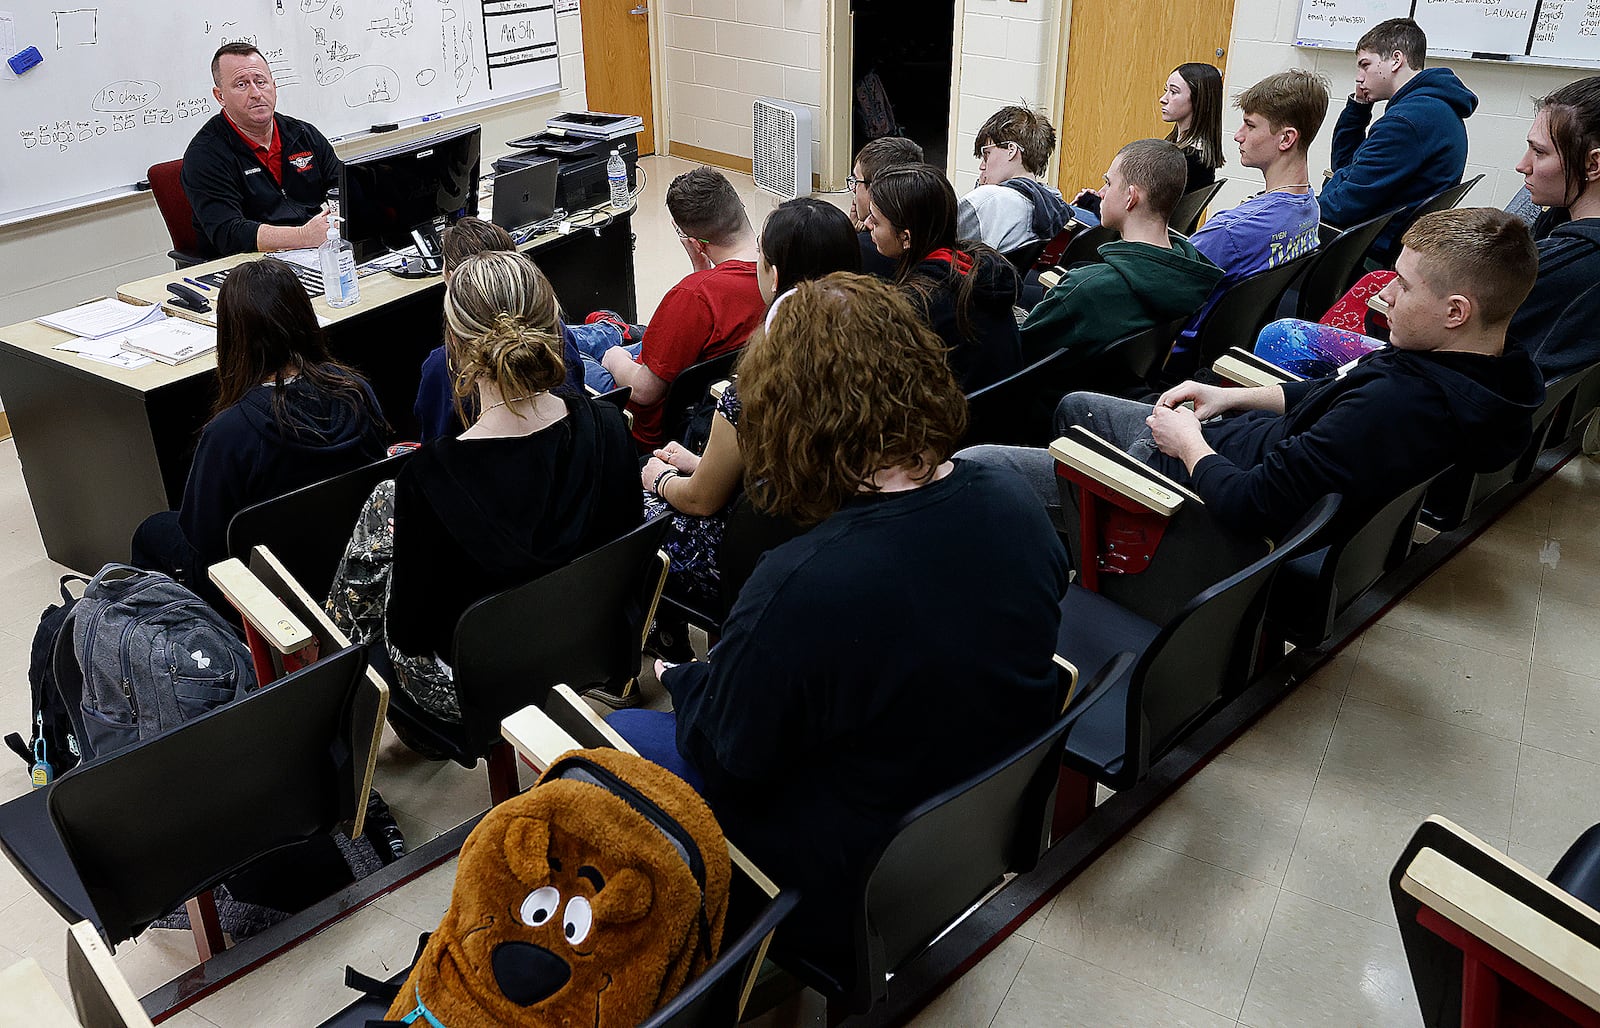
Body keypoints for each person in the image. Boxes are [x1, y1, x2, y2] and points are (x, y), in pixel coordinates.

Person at [607, 272, 1069, 974]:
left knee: (603, 743)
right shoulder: (1012, 498)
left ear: (788, 414)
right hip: (960, 827)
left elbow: (729, 762)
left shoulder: (804, 582)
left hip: (842, 876)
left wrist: (695, 682)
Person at [964, 208, 1546, 546]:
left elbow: (1250, 505)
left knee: (978, 469)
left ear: (1455, 311)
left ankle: (1105, 546)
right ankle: (1075, 532)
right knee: (1075, 406)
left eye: (1405, 285)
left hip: (1189, 502)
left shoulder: (1398, 407)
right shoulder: (1481, 368)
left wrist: (1189, 446)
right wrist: (1229, 395)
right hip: (1221, 450)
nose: (1384, 295)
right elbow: (1329, 392)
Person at [327, 251, 642, 728]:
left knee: (382, 513)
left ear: (454, 346)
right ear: (553, 326)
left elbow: (411, 637)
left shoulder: (427, 479)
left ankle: (332, 696)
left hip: (476, 689)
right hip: (590, 645)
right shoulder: (611, 427)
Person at [1257, 76, 1600, 380]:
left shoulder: (1560, 263)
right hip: (1481, 383)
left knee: (1284, 337)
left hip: (1442, 383)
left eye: (1539, 153)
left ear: (1593, 163)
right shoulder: (1558, 221)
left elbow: (1444, 339)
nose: (1522, 165)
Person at [640, 198, 861, 634]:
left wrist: (660, 480)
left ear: (774, 275)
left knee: (633, 504)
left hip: (759, 555)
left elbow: (702, 500)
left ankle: (650, 644)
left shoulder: (759, 384)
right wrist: (700, 464)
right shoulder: (873, 356)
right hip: (841, 539)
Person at [132, 259, 386, 589]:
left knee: (152, 531)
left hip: (264, 588)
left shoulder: (229, 433)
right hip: (350, 559)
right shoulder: (357, 391)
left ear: (232, 337)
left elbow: (203, 540)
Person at [569, 167, 766, 450]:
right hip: (712, 398)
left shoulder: (692, 296)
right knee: (609, 338)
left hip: (651, 425)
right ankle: (612, 329)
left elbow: (645, 391)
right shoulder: (776, 269)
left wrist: (613, 359)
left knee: (562, 348)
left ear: (694, 242)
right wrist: (700, 270)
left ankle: (611, 333)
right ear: (740, 205)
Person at [1020, 139, 1223, 368]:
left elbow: (1018, 353)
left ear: (1131, 197)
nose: (1101, 192)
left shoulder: (1086, 289)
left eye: (1108, 182)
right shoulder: (1190, 278)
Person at [1173, 70, 1328, 364]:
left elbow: (1162, 283)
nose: (1238, 135)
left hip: (1176, 352)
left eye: (1250, 125)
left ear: (1286, 139)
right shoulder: (1309, 207)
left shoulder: (1230, 230)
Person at [412, 217, 585, 442]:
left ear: (453, 278)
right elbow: (577, 396)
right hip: (569, 446)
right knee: (601, 333)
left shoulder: (442, 365)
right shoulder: (556, 333)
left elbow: (433, 442)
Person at [1320, 18, 1477, 264]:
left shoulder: (1406, 122)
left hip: (1366, 254)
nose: (1359, 78)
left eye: (1365, 65)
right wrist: (1359, 107)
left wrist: (1299, 211)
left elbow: (1342, 207)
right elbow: (1345, 167)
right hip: (1385, 246)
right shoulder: (1431, 108)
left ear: (1396, 59)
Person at [865, 164, 1023, 391]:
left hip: (961, 420)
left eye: (875, 220)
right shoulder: (979, 267)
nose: (867, 224)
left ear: (906, 237)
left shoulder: (916, 305)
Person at [182, 42, 342, 259]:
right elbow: (229, 233)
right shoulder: (205, 155)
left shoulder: (303, 134)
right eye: (241, 85)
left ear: (274, 86)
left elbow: (342, 188)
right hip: (250, 268)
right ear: (220, 96)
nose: (256, 93)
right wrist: (304, 236)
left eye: (261, 82)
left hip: (318, 252)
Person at [957, 106, 1075, 254]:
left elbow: (937, 245)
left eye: (987, 154)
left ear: (1011, 150)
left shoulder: (988, 200)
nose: (982, 166)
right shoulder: (1054, 203)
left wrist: (980, 192)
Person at [849, 136, 925, 277]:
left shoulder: (865, 249)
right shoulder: (926, 232)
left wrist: (849, 240)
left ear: (875, 188)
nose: (853, 188)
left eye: (856, 181)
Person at [1161, 62, 1226, 192]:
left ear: (1198, 100)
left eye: (1173, 92)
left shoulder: (1190, 160)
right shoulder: (1178, 148)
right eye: (1166, 90)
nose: (1163, 99)